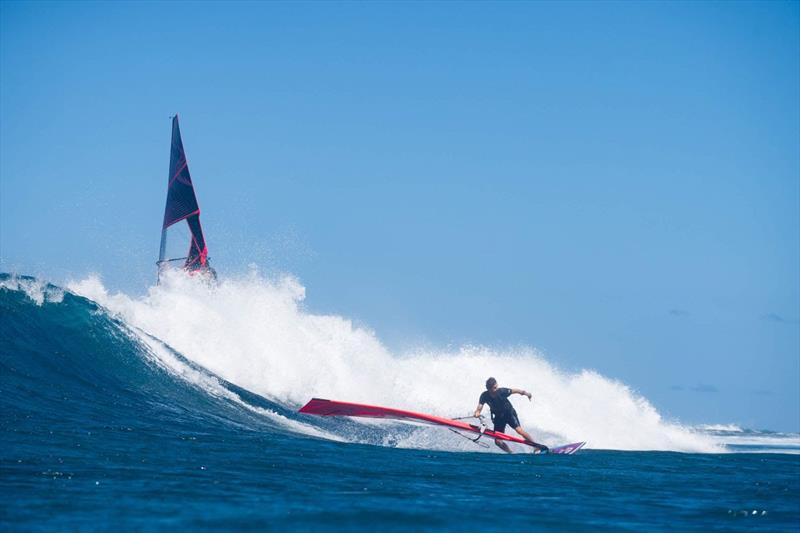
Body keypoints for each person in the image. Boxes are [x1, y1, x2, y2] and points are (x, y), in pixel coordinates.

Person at [474, 377, 548, 453]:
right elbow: (480, 406)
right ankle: (510, 453)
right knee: (498, 441)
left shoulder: (502, 391)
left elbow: (515, 391)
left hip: (509, 413)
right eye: (493, 389)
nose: (495, 390)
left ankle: (536, 447)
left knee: (519, 431)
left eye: (496, 387)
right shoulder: (484, 395)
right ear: (488, 388)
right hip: (499, 418)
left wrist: (527, 394)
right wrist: (477, 412)